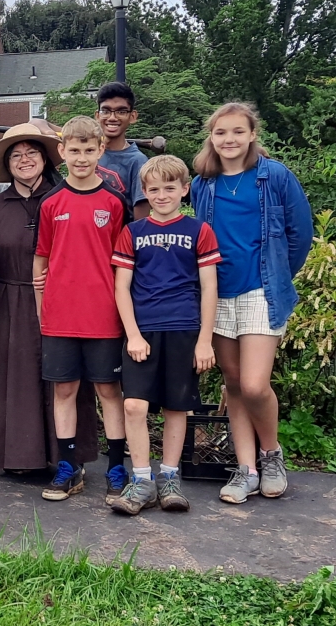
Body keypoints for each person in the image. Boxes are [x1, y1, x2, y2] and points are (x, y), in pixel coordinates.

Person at [190, 102, 312, 505]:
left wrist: (277, 276)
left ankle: (271, 454)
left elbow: (300, 234)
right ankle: (245, 469)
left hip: (261, 289)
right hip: (218, 294)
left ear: (252, 134)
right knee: (234, 383)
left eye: (238, 132)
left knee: (255, 384)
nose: (229, 140)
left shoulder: (273, 176)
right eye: (221, 132)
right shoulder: (202, 183)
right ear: (212, 136)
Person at [110, 155, 221, 515]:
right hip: (143, 331)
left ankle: (169, 478)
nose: (161, 195)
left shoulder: (199, 231)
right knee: (133, 405)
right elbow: (121, 288)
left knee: (177, 407)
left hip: (184, 328)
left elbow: (209, 288)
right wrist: (133, 335)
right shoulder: (133, 232)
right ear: (144, 192)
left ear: (184, 190)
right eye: (154, 189)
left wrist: (205, 340)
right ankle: (142, 480)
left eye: (169, 188)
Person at [0, 122, 92, 473]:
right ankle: (21, 458)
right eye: (16, 155)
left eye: (31, 152)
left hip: (61, 300)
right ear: (7, 164)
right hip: (7, 301)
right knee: (13, 381)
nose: (24, 160)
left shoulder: (64, 199)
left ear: (45, 158)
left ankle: (67, 456)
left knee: (63, 378)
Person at [33, 116, 131, 504]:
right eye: (74, 150)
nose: (82, 157)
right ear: (62, 152)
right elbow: (41, 260)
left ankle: (117, 467)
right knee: (65, 390)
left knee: (110, 390)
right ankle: (68, 468)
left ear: (101, 151)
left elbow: (125, 262)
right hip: (60, 316)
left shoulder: (114, 202)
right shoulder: (51, 202)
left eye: (89, 150)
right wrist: (43, 311)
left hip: (104, 316)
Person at [95, 81, 151, 220]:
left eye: (121, 111)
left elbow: (140, 223)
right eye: (106, 111)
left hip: (120, 240)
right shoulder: (86, 153)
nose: (112, 118)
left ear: (132, 116)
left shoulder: (138, 162)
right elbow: (38, 123)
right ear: (97, 115)